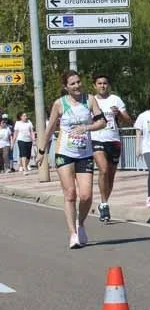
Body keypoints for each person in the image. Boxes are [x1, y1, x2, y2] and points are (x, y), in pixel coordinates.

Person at [38, 70, 107, 249]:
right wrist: (41, 150)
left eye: (78, 82)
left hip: (84, 153)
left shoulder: (90, 100)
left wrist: (87, 127)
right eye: (73, 84)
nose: (77, 86)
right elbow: (50, 128)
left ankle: (81, 223)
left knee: (86, 195)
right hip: (64, 152)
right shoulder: (59, 104)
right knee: (70, 194)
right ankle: (72, 234)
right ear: (66, 87)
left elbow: (103, 122)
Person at [90, 74, 131, 222]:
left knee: (111, 176)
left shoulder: (116, 100)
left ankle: (103, 202)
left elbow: (128, 120)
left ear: (109, 85)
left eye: (105, 83)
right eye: (99, 83)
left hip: (113, 140)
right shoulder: (91, 101)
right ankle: (105, 204)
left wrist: (118, 113)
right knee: (104, 169)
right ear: (95, 85)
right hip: (97, 139)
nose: (102, 86)